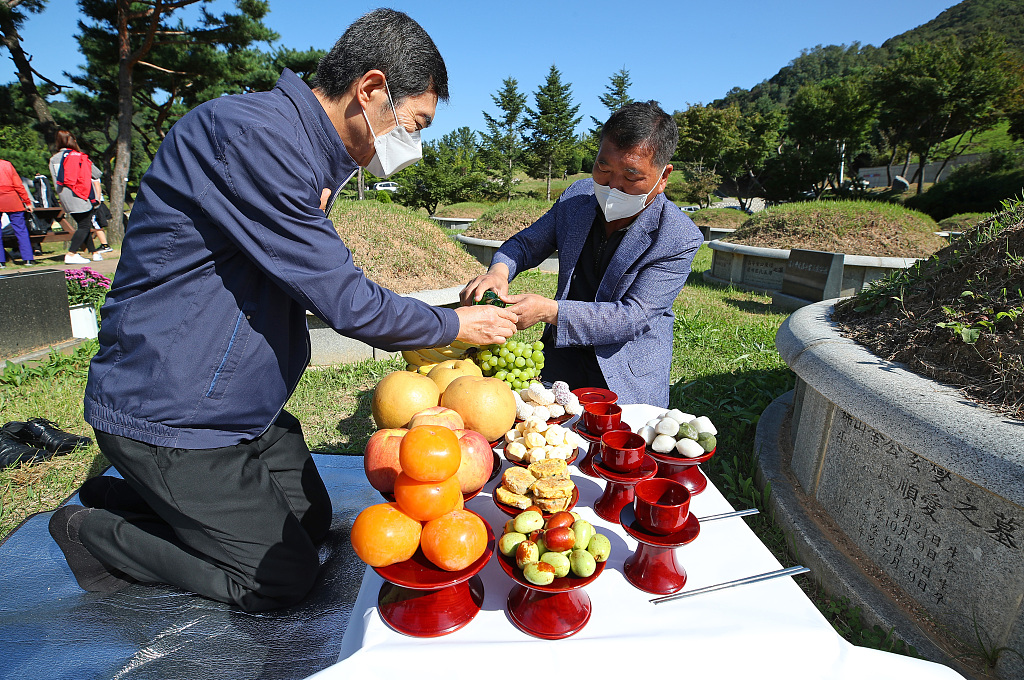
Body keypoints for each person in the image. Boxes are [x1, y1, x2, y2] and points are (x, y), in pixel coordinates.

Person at [48, 9, 517, 612]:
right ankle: (95, 533)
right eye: (415, 123)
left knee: (313, 518)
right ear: (370, 90)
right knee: (280, 578)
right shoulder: (254, 138)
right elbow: (346, 301)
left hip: (238, 410)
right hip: (177, 409)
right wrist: (455, 323)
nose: (415, 146)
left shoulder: (302, 151)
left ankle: (137, 495)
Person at [461, 101, 703, 408]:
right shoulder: (578, 198)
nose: (613, 185)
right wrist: (499, 271)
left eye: (631, 176)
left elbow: (633, 317)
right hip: (562, 355)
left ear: (663, 176)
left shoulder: (677, 236)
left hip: (624, 373)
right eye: (603, 167)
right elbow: (524, 245)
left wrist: (551, 311)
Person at [48, 130, 102, 264]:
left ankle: (94, 253)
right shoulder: (79, 156)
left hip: (65, 197)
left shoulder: (53, 159)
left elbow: (56, 181)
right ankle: (71, 254)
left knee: (83, 224)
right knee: (85, 225)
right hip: (80, 194)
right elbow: (96, 174)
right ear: (73, 141)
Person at [0, 157, 36, 267]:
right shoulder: (7, 164)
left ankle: (1, 262)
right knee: (21, 230)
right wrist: (27, 202)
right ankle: (28, 259)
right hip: (12, 199)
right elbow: (18, 185)